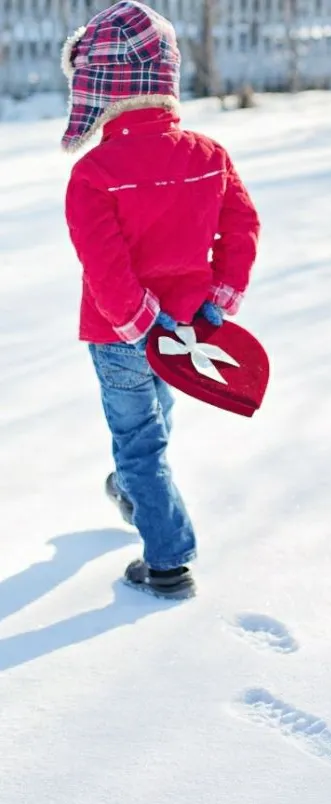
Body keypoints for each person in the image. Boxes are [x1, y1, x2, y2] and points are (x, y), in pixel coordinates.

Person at [62, 0, 260, 598]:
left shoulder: (95, 172)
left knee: (138, 438)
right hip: (184, 328)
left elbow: (105, 263)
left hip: (120, 331)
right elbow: (242, 227)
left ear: (101, 87)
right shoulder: (207, 154)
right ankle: (135, 488)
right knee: (154, 418)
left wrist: (134, 318)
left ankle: (168, 559)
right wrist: (219, 292)